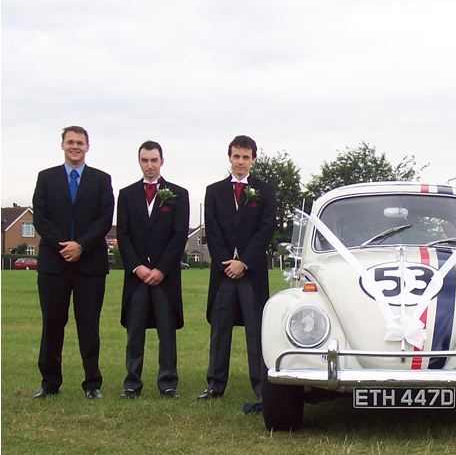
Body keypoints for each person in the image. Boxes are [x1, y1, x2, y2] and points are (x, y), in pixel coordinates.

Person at [32, 126, 114, 399]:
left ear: (87, 146)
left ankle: (92, 384)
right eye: (70, 142)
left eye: (80, 142)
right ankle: (49, 384)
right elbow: (40, 217)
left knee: (89, 325)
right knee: (52, 324)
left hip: (89, 265)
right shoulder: (46, 178)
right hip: (53, 265)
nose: (75, 146)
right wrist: (64, 246)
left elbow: (104, 219)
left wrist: (81, 245)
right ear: (62, 145)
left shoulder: (101, 180)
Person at [197, 135, 277, 400]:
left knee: (255, 329)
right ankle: (215, 384)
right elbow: (212, 230)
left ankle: (260, 385)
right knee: (220, 329)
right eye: (236, 156)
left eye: (245, 157)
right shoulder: (214, 191)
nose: (240, 162)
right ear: (229, 158)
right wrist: (227, 263)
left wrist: (244, 262)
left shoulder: (265, 191)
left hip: (251, 273)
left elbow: (266, 229)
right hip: (223, 274)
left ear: (253, 159)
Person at [117, 141, 189, 399]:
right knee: (135, 332)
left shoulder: (178, 194)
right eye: (145, 160)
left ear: (162, 161)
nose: (149, 165)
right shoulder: (126, 195)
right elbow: (123, 235)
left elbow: (179, 236)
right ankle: (132, 383)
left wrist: (161, 269)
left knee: (166, 333)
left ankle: (168, 383)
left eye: (154, 160)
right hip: (137, 278)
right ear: (139, 162)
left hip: (164, 279)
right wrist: (137, 267)